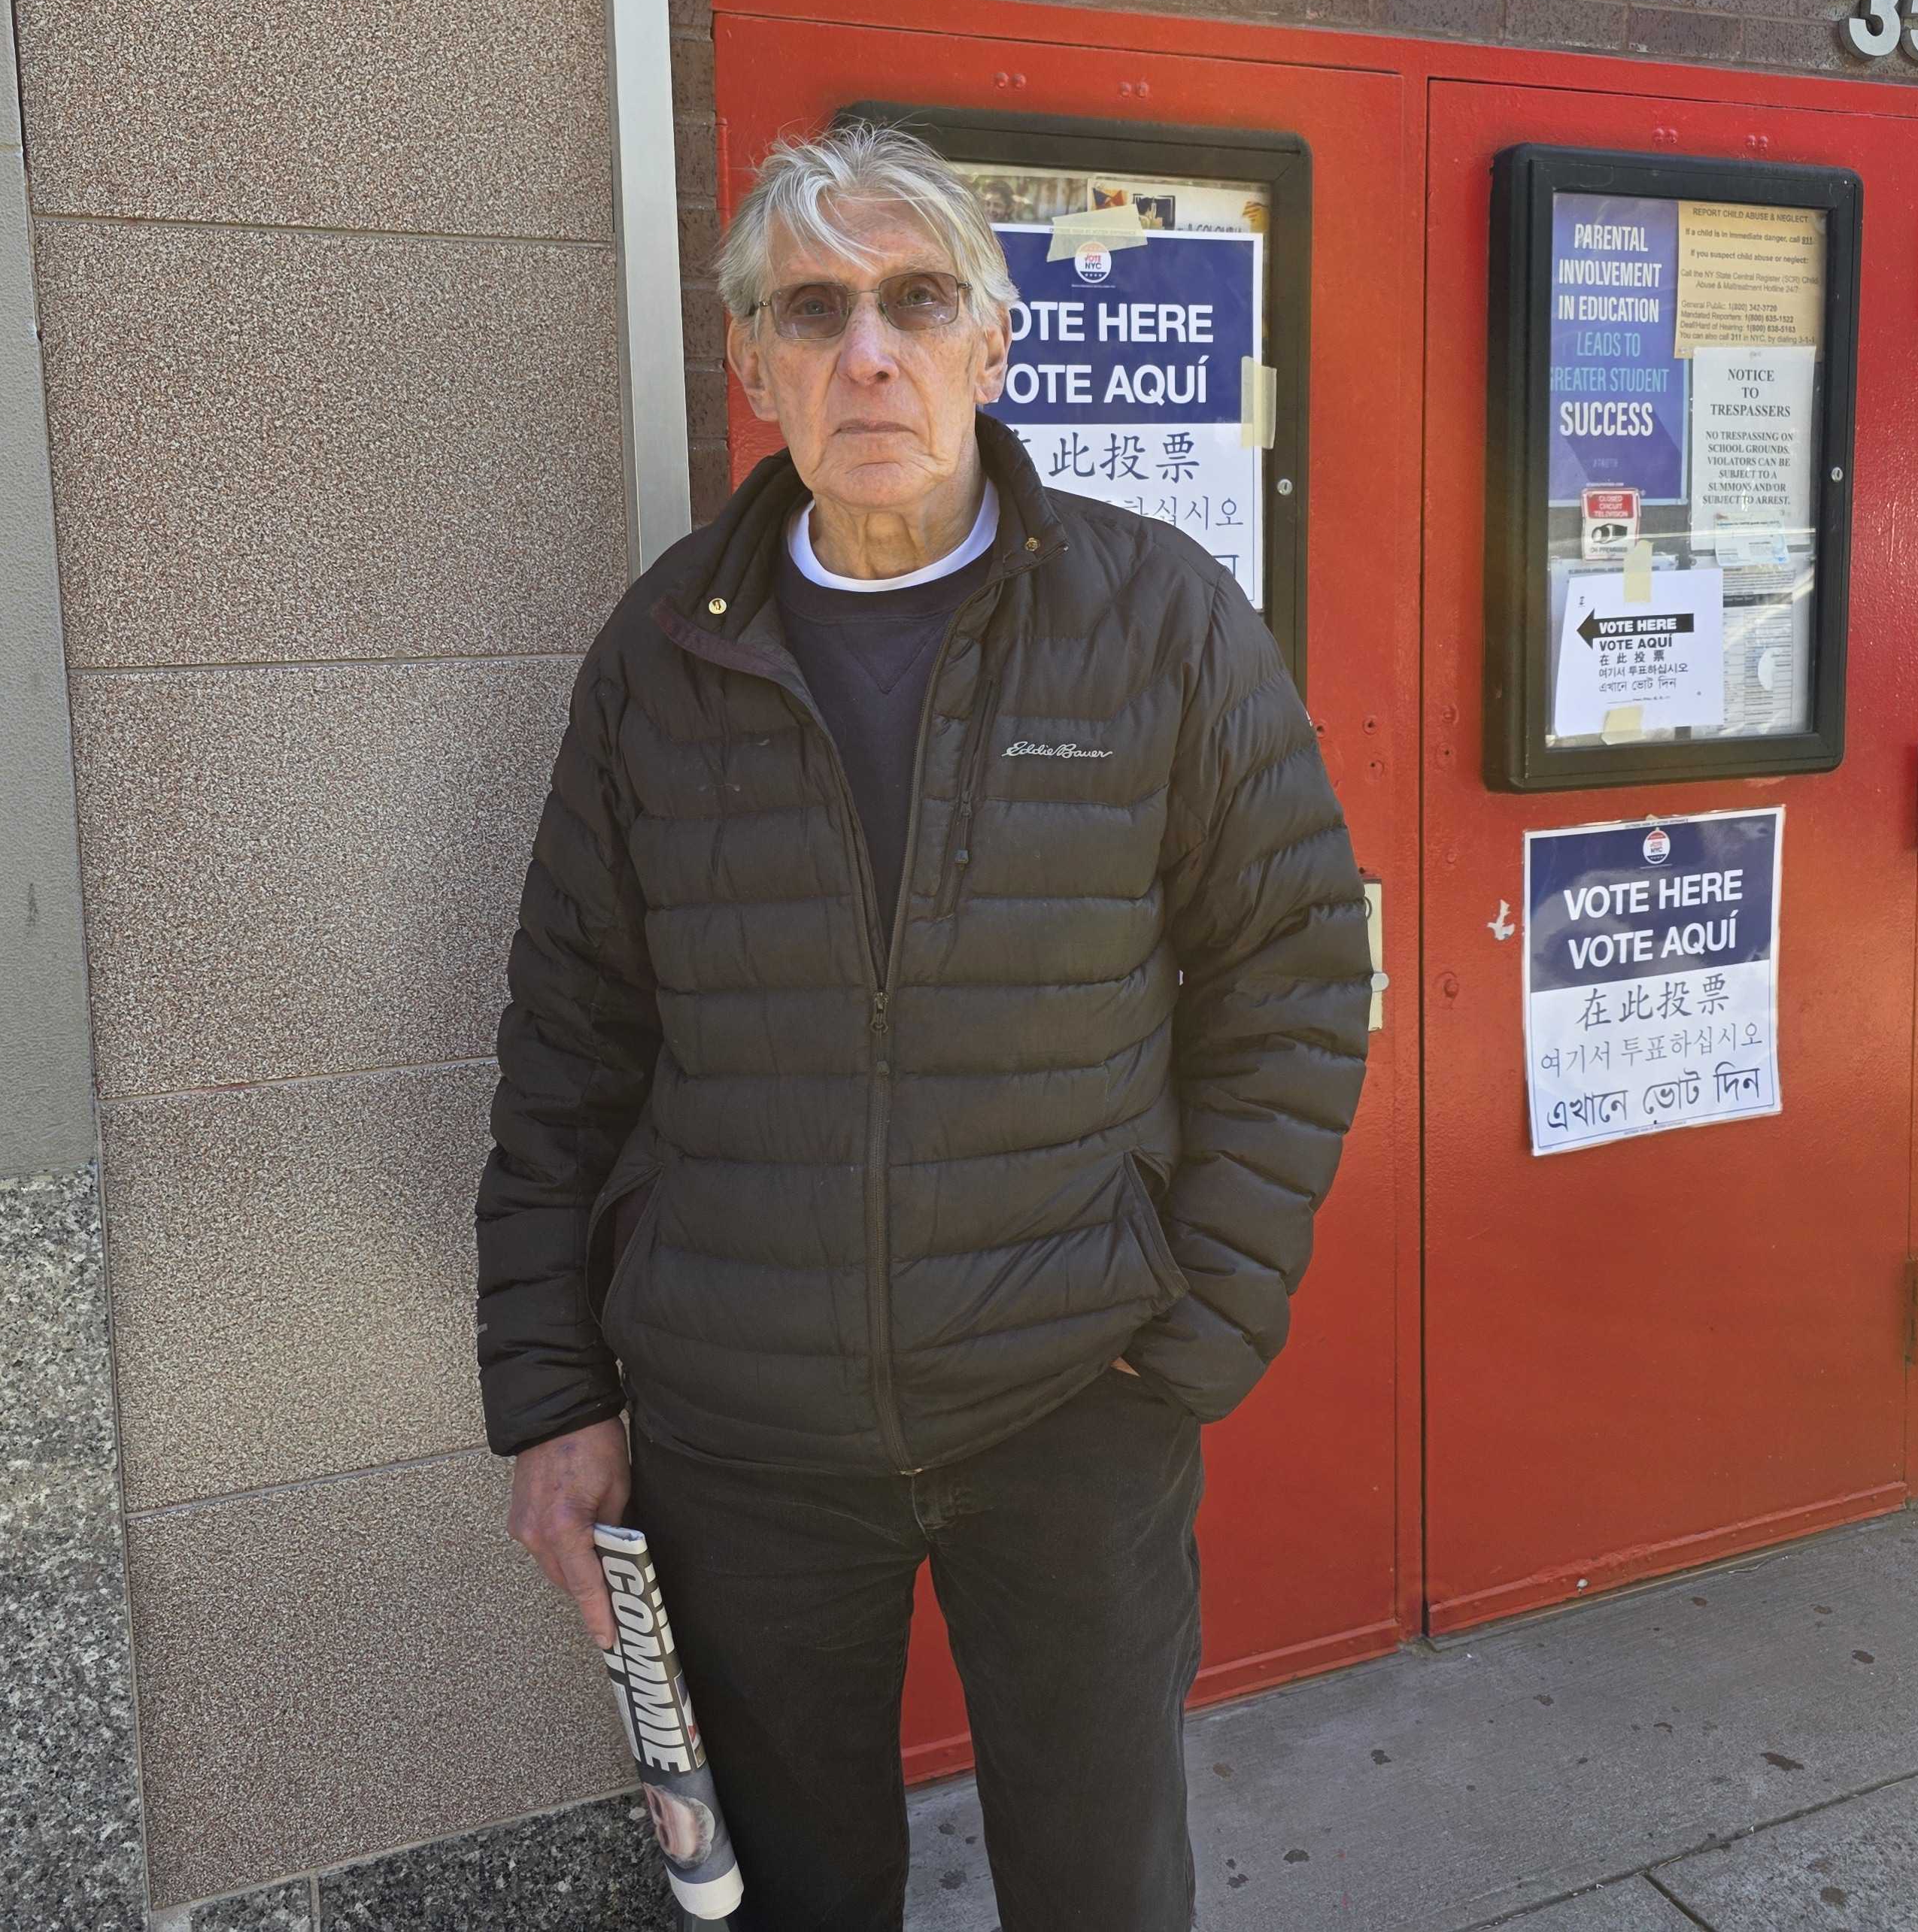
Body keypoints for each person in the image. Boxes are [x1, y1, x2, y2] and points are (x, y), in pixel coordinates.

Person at [478, 122, 1372, 1931]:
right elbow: (567, 1045)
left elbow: (1291, 972)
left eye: (912, 300)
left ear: (992, 343)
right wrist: (558, 1392)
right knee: (798, 1893)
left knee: (1101, 1882)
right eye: (810, 310)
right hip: (743, 1432)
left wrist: (1197, 1324)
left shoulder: (1152, 618)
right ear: (751, 367)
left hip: (1073, 1396)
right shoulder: (660, 653)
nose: (863, 351)